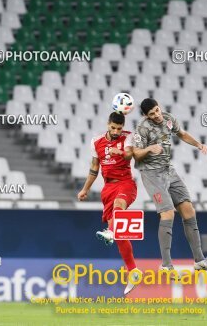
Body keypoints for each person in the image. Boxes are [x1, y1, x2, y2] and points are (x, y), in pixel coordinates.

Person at [132, 98, 207, 273]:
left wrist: (198, 145)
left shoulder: (168, 118)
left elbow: (182, 134)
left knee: (189, 210)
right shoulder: (142, 128)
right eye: (152, 114)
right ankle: (166, 264)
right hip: (151, 174)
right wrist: (149, 149)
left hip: (168, 170)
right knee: (168, 212)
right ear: (146, 116)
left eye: (157, 110)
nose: (156, 115)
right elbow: (135, 154)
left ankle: (199, 260)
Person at [77, 112, 141, 295]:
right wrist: (85, 189)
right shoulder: (96, 142)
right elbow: (94, 168)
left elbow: (129, 155)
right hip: (108, 188)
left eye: (119, 128)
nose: (115, 131)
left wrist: (119, 151)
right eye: (113, 127)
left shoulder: (128, 137)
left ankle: (111, 232)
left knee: (119, 206)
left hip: (126, 184)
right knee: (120, 233)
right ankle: (133, 271)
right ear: (108, 124)